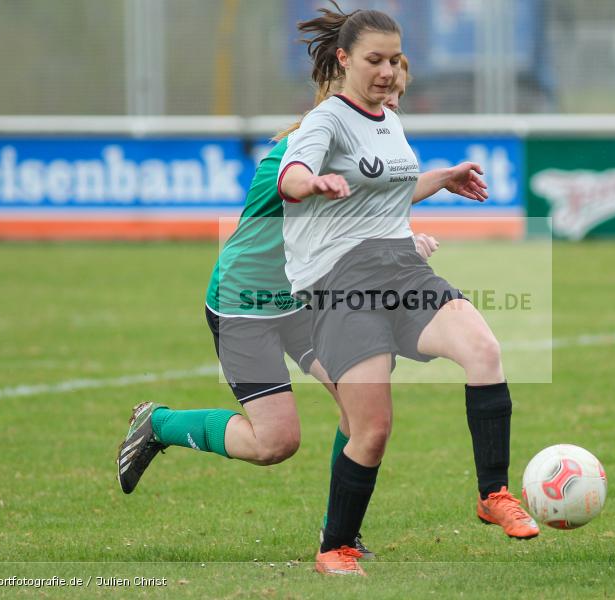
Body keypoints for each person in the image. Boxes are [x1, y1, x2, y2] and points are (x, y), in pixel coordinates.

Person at [115, 58, 432, 559]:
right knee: (275, 443)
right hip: (246, 304)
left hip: (305, 303)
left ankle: (339, 536)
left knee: (362, 408)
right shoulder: (298, 156)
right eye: (384, 97)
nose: (392, 107)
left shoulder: (358, 150)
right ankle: (158, 424)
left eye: (397, 98)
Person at [278, 3, 539, 576]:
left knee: (484, 350)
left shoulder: (389, 119)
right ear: (344, 59)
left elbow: (386, 193)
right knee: (371, 431)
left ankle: (492, 493)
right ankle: (335, 548)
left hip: (400, 268)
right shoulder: (326, 120)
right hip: (341, 284)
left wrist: (440, 180)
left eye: (395, 60)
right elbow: (290, 174)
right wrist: (312, 183)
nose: (388, 71)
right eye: (375, 60)